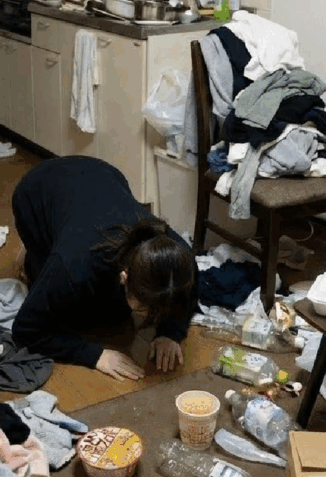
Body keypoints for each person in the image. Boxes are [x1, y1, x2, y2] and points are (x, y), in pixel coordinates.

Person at [11, 157, 198, 380]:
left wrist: (171, 332)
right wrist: (94, 355)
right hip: (36, 191)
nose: (152, 315)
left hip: (103, 174)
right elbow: (26, 329)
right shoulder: (74, 265)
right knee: (71, 317)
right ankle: (30, 257)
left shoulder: (180, 256)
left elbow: (185, 294)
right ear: (124, 276)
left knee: (114, 316)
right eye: (144, 308)